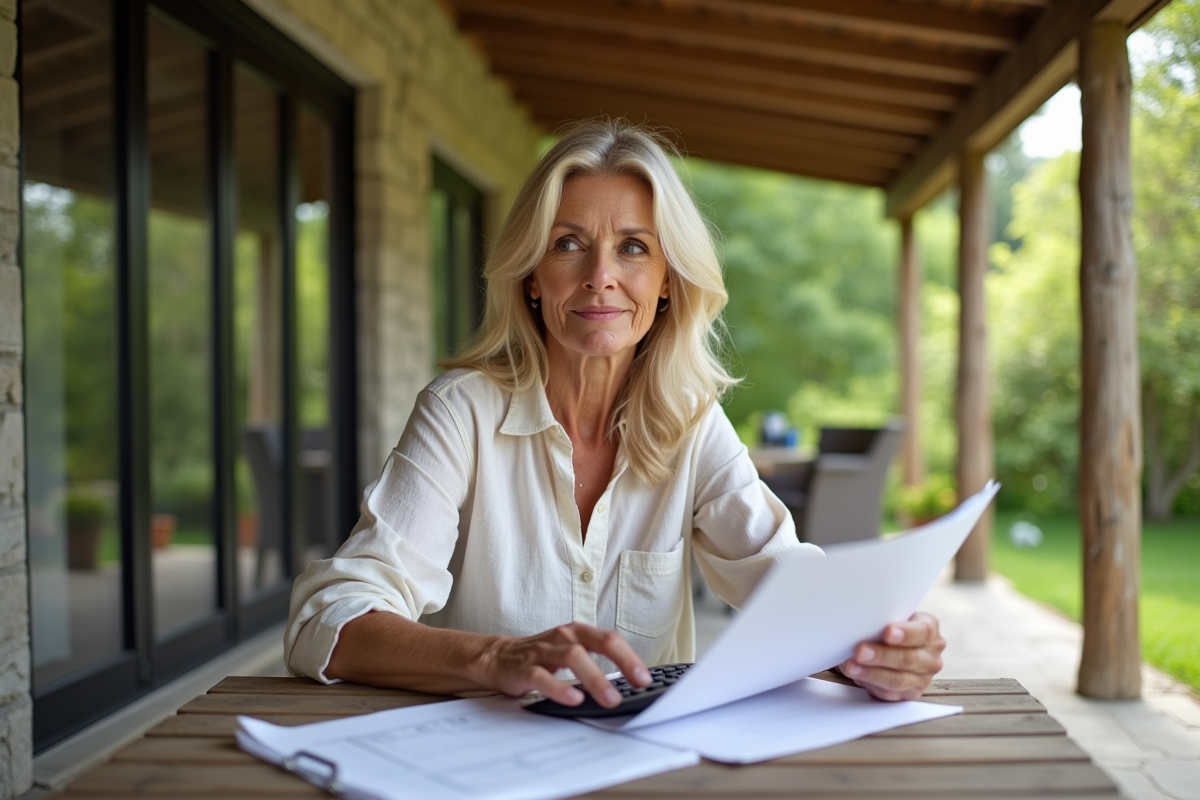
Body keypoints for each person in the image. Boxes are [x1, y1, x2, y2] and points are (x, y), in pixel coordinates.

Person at [285, 119, 946, 710]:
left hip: (644, 767)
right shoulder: (461, 414)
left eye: (633, 247)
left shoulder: (691, 422)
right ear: (532, 277)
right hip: (489, 764)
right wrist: (494, 659)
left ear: (667, 283)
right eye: (569, 243)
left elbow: (786, 580)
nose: (601, 274)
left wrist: (877, 646)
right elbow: (328, 618)